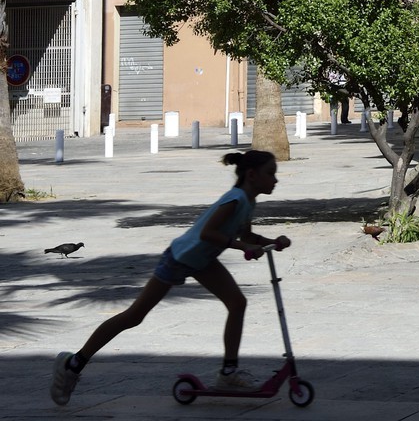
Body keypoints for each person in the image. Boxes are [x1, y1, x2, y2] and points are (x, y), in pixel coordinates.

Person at [50, 150, 290, 406]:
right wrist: (242, 247)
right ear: (252, 175)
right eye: (271, 174)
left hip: (203, 261)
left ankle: (228, 373)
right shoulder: (235, 199)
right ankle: (73, 363)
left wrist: (271, 242)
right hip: (179, 257)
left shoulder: (248, 201)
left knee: (237, 303)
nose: (275, 180)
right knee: (134, 316)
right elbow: (208, 233)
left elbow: (247, 236)